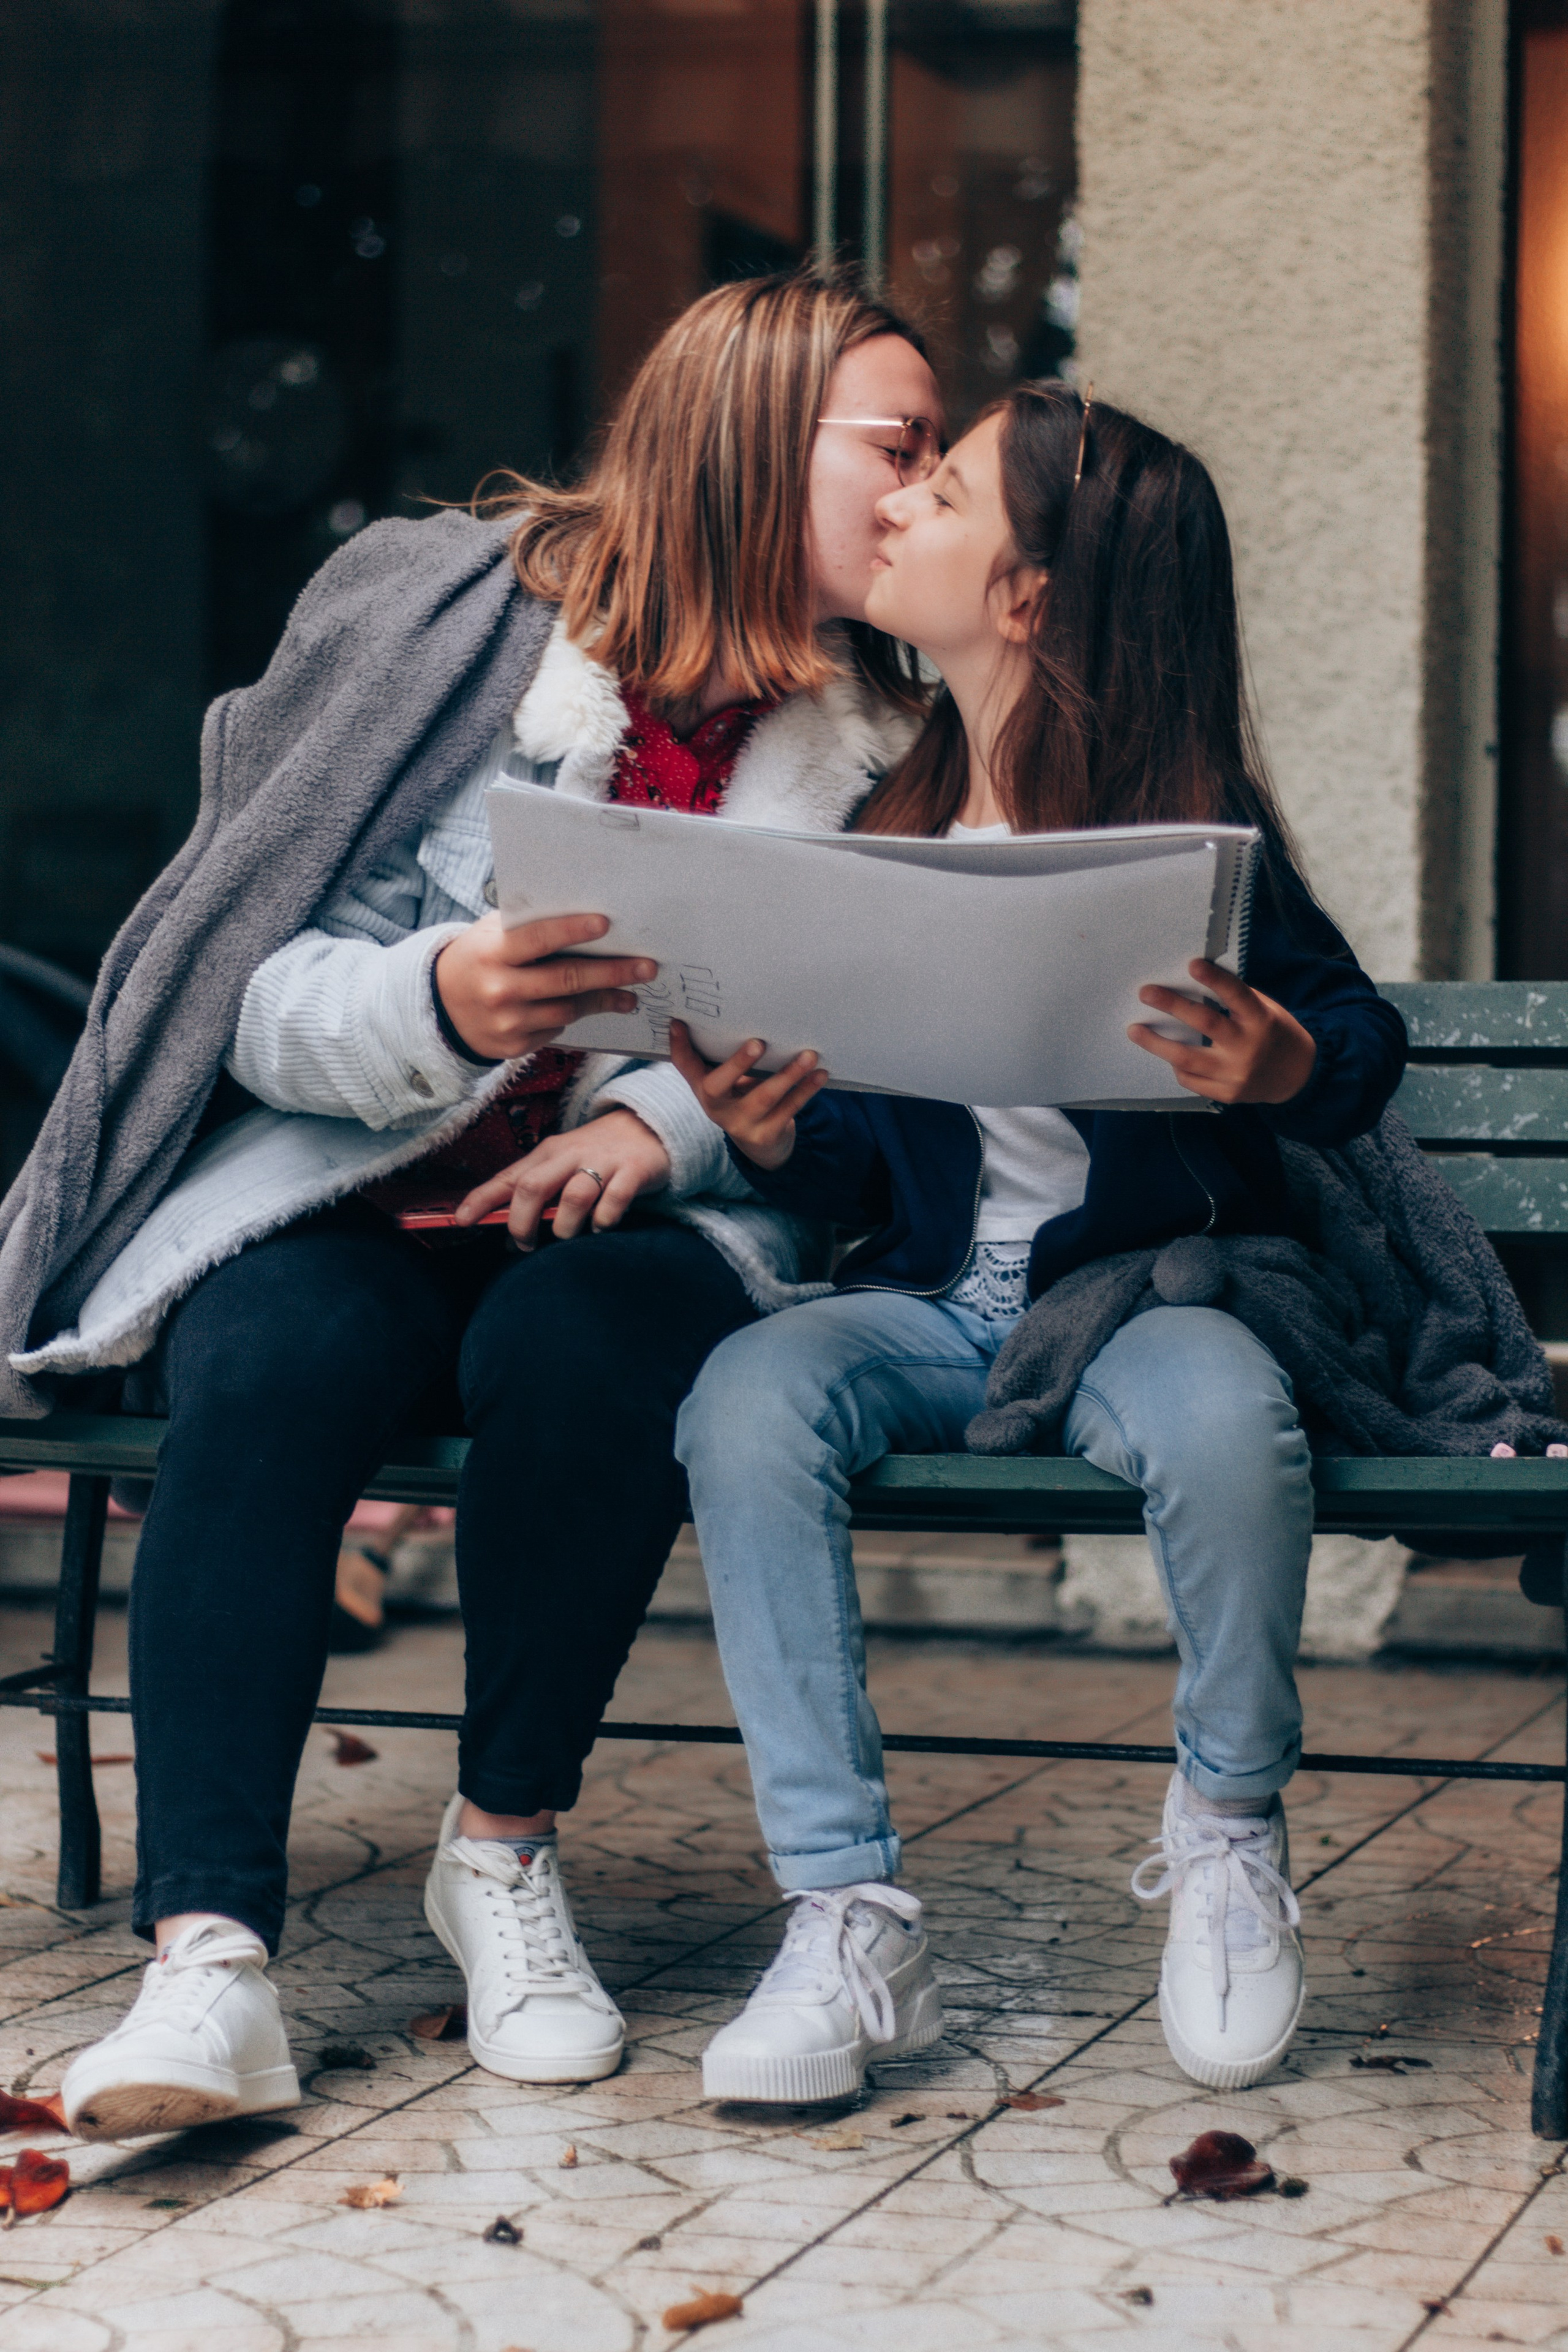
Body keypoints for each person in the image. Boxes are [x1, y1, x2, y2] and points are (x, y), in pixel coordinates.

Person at [19, 267, 946, 2140]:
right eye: (900, 447)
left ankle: (502, 1857)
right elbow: (243, 978)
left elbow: (878, 1090)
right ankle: (208, 1967)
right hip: (348, 1188)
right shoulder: (441, 627)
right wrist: (439, 1000)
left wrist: (704, 1122)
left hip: (628, 1228)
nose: (927, 494)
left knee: (598, 1342)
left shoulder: (901, 738)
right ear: (761, 439)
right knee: (269, 1354)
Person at [668, 380, 1408, 2103]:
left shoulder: (1181, 810)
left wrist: (1280, 1063)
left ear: (1027, 595)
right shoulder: (896, 816)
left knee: (1230, 1427)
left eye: (948, 489)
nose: (904, 503)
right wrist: (785, 1130)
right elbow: (883, 1140)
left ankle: (1226, 1825)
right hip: (939, 1306)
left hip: (1137, 1302)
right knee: (745, 1402)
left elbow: (1351, 1040)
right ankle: (847, 1911)